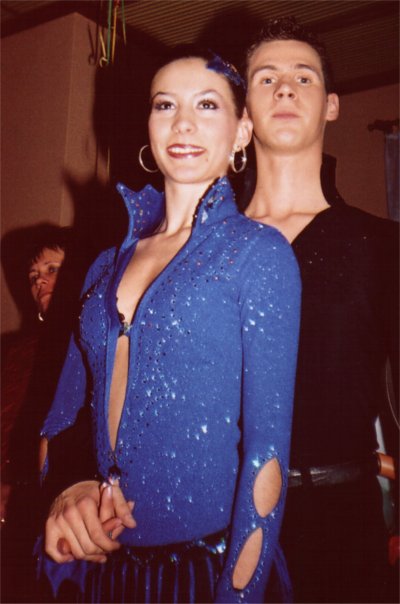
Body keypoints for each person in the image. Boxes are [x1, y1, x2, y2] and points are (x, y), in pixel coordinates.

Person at [36, 46, 301, 603]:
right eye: (165, 105)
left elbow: (268, 454)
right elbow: (60, 416)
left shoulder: (257, 253)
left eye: (206, 105)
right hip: (104, 571)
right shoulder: (103, 265)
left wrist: (239, 594)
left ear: (242, 132)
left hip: (204, 570)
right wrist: (67, 489)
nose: (182, 123)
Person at [243, 16, 399, 604]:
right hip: (212, 523)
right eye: (266, 78)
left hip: (342, 533)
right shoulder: (202, 246)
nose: (285, 88)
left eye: (303, 77)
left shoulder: (382, 245)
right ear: (242, 109)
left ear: (331, 105)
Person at [1, 227, 69, 603]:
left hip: (66, 512)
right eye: (33, 276)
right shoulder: (16, 354)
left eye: (52, 269)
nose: (39, 281)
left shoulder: (97, 343)